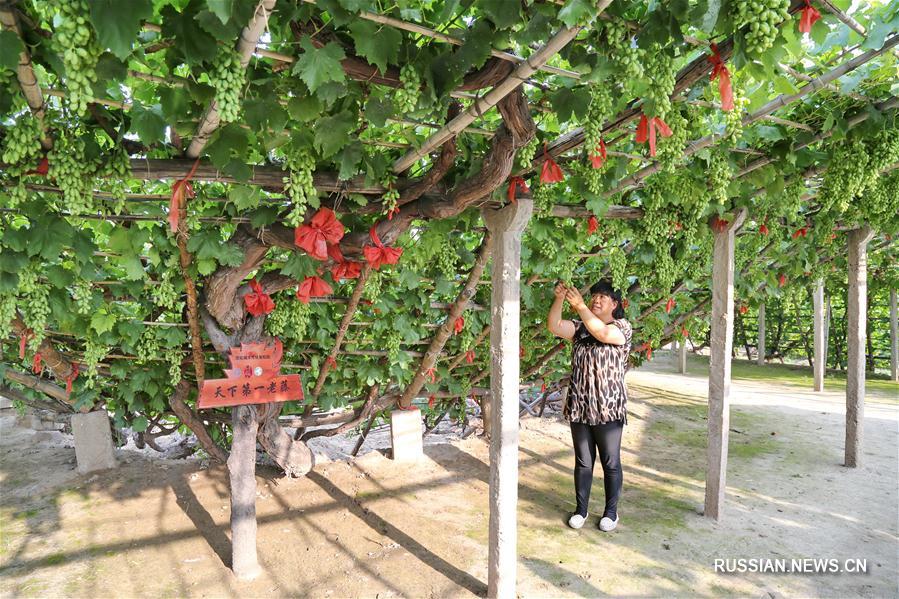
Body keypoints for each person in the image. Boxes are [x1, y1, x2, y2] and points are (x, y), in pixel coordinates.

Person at [546, 279, 632, 532]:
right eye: (594, 295)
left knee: (610, 461)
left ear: (614, 304)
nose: (596, 299)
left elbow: (603, 334)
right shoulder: (580, 328)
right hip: (580, 406)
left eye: (603, 297)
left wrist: (581, 305)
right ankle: (581, 510)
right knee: (583, 461)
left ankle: (611, 513)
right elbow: (554, 326)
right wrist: (560, 298)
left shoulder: (622, 327)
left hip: (608, 408)